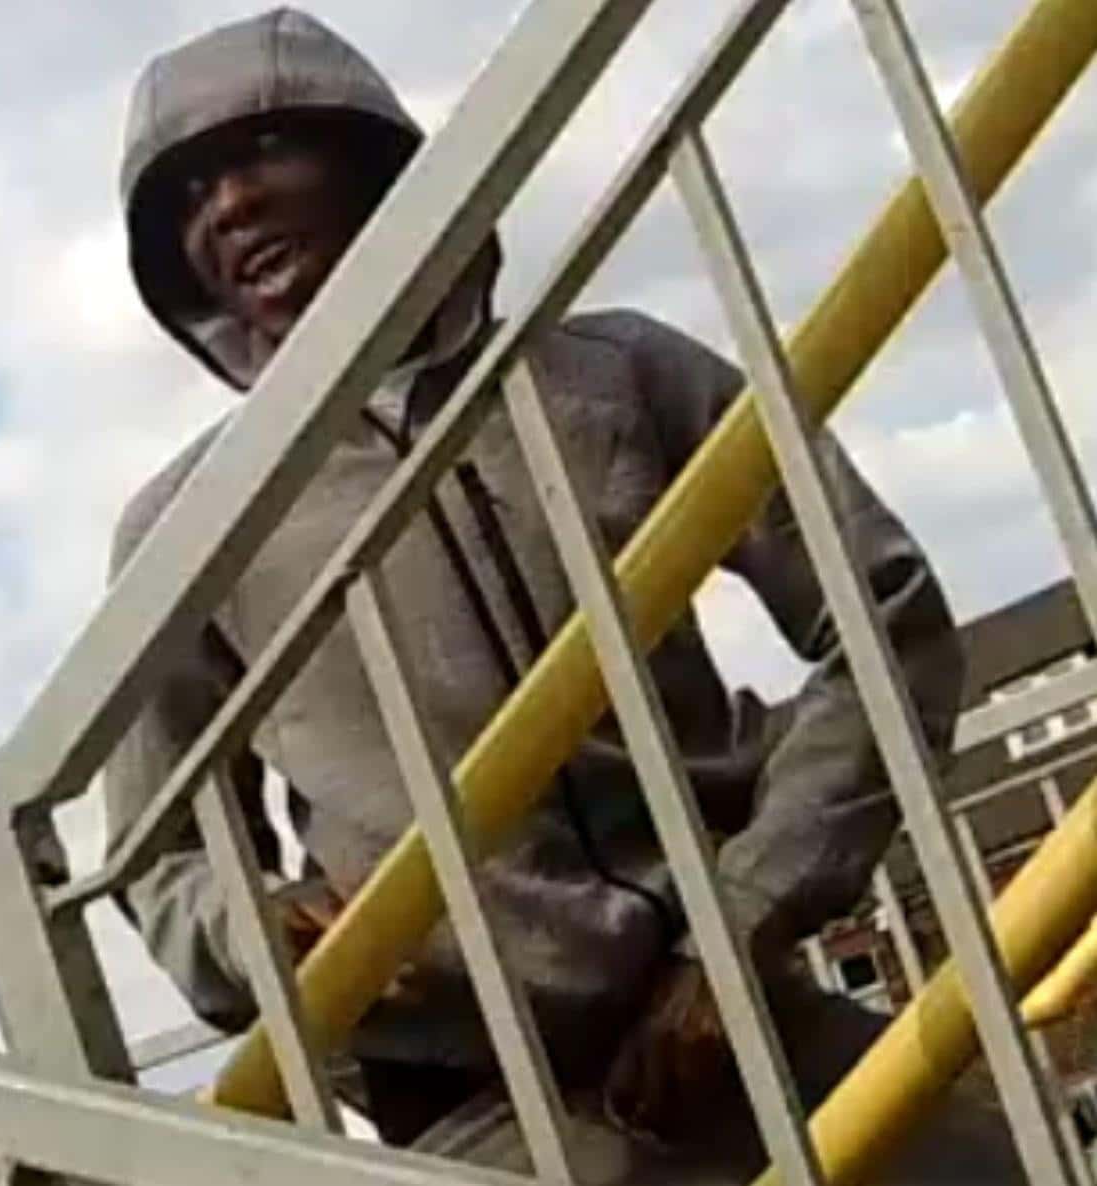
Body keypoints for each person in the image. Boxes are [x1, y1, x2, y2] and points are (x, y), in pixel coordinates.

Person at [106, 9, 1025, 1181]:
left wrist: (746, 914)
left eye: (264, 147)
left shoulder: (620, 373)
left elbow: (884, 617)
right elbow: (160, 851)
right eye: (184, 194)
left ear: (374, 159)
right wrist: (252, 928)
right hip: (478, 1109)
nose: (225, 206)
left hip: (754, 1012)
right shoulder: (186, 531)